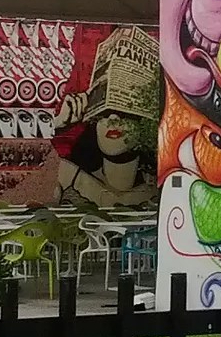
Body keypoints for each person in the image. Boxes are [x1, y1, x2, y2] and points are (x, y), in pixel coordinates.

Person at [53, 27, 160, 208]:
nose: (113, 118)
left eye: (125, 111)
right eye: (103, 112)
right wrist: (58, 124)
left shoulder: (159, 185)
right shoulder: (68, 175)